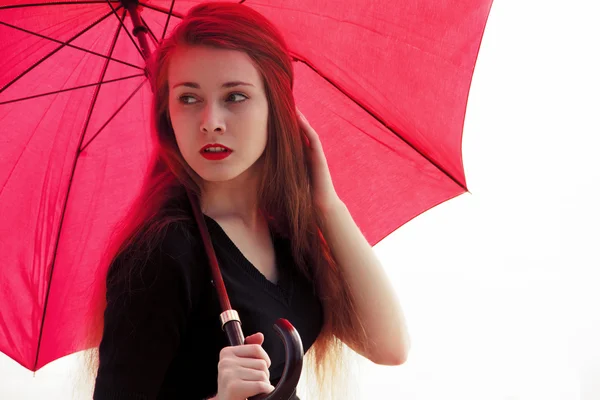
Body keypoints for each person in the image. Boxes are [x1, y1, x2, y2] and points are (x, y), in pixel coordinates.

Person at [84, 2, 410, 399]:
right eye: (188, 98)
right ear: (166, 114)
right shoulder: (164, 252)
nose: (210, 121)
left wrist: (327, 204)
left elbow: (388, 346)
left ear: (278, 108)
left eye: (235, 96)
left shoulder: (286, 234)